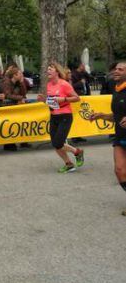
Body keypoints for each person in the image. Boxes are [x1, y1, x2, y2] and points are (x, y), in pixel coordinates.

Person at [89, 62, 126, 212]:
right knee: (119, 170)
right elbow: (117, 116)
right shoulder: (116, 89)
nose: (116, 71)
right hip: (120, 135)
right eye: (115, 69)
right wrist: (101, 116)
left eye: (120, 69)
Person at [37, 62, 84, 173]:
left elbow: (77, 98)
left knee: (58, 143)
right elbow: (52, 102)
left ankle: (77, 151)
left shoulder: (64, 84)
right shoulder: (49, 85)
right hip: (53, 116)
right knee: (55, 144)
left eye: (50, 69)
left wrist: (64, 99)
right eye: (47, 69)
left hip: (65, 116)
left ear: (57, 72)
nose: (48, 71)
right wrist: (43, 100)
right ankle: (68, 164)